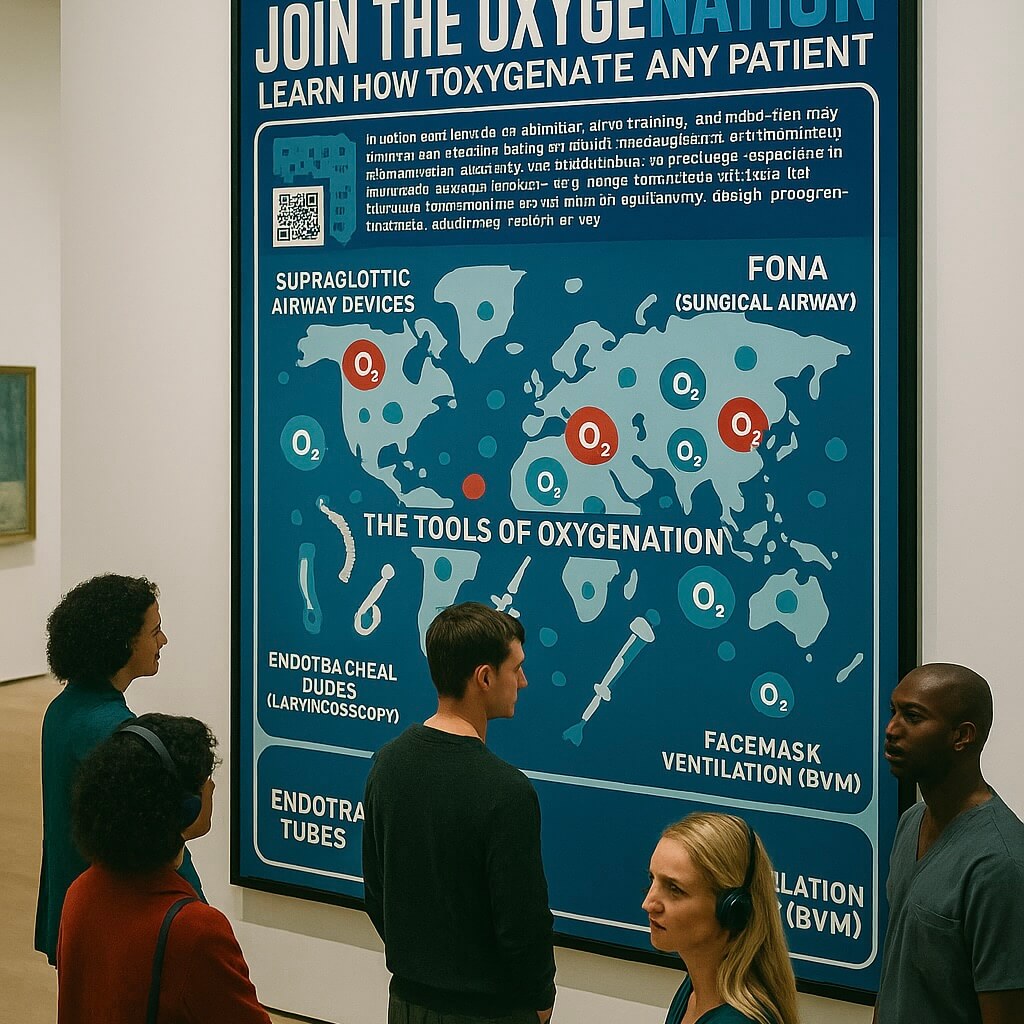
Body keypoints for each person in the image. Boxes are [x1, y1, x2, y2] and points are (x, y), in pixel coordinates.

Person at [362, 602, 556, 1024]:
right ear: (484, 677)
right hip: (492, 1012)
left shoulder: (386, 764)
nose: (523, 681)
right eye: (515, 669)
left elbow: (376, 892)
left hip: (407, 1006)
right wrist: (540, 999)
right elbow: (522, 925)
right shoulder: (507, 792)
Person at [57, 713, 271, 1023]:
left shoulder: (81, 892)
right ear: (187, 806)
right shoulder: (195, 930)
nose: (211, 785)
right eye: (205, 778)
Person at [35, 573, 204, 965]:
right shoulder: (115, 732)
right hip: (121, 925)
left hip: (78, 911)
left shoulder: (61, 710)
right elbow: (156, 842)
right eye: (155, 631)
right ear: (124, 643)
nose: (163, 641)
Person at [875, 663, 1024, 1024]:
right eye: (893, 712)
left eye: (913, 716)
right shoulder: (912, 822)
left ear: (962, 736)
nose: (891, 729)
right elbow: (898, 974)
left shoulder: (1000, 865)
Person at [643, 812, 799, 1024]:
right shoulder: (694, 990)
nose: (648, 904)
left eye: (674, 889)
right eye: (653, 879)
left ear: (732, 910)